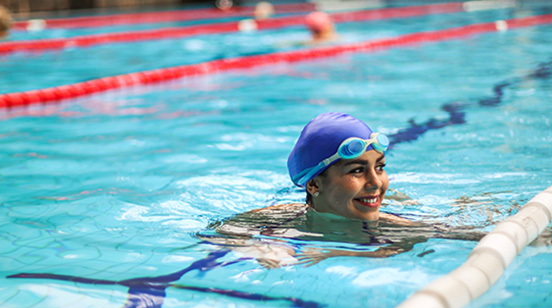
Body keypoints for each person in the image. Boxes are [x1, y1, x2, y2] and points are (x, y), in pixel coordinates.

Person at [200, 112, 497, 268]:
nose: (376, 182)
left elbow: (480, 235)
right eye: (357, 170)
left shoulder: (397, 226)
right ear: (314, 184)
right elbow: (218, 232)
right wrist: (259, 249)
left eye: (380, 167)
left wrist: (335, 253)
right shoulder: (283, 216)